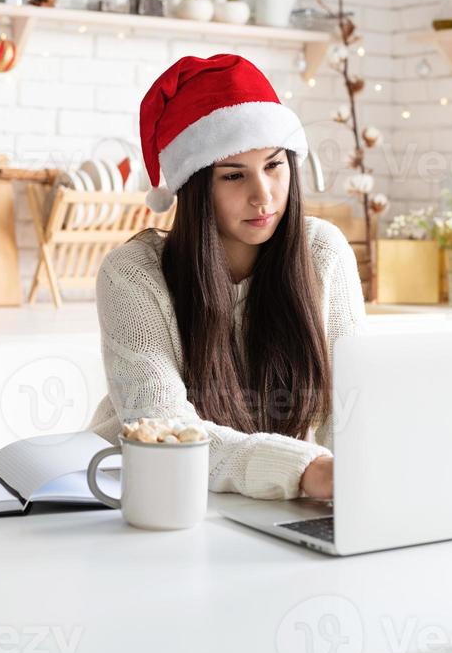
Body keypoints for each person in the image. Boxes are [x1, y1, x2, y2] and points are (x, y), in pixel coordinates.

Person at [89, 53, 366, 500]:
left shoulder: (323, 252)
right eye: (234, 175)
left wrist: (362, 476)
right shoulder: (132, 276)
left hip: (259, 503)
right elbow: (166, 432)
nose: (264, 196)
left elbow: (353, 407)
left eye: (274, 166)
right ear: (196, 187)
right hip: (134, 498)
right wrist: (305, 470)